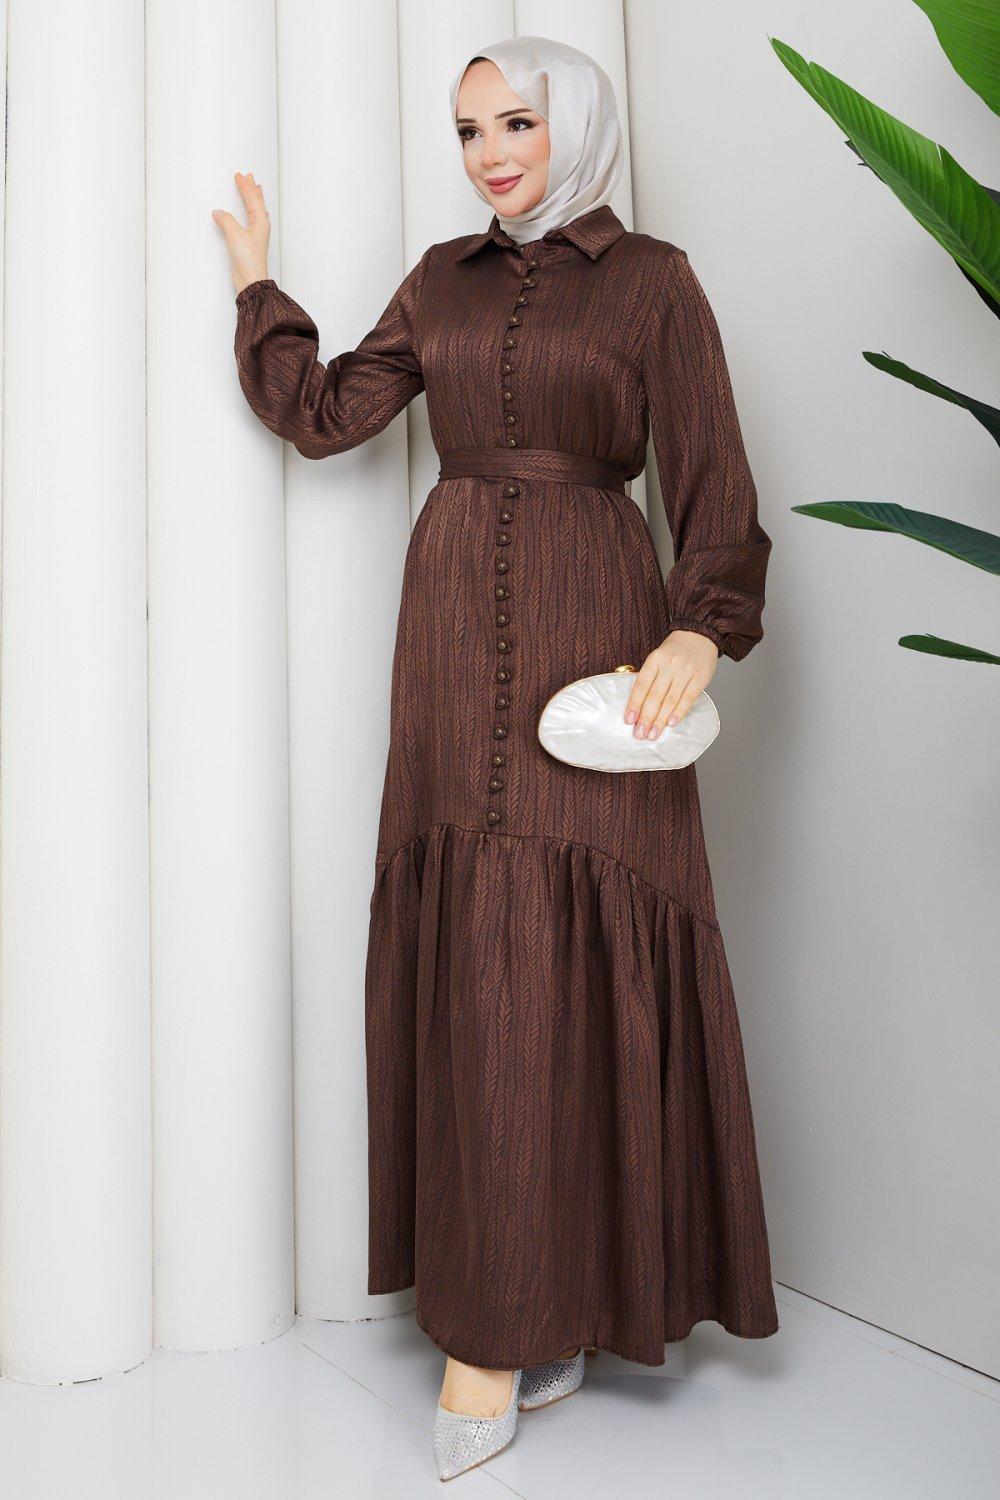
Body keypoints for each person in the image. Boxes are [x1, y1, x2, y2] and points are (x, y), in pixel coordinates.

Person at [213, 33, 779, 1482]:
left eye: (516, 122)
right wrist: (260, 291)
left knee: (574, 941)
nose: (490, 154)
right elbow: (331, 415)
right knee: (486, 953)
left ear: (573, 125)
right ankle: (500, 1313)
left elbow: (714, 479)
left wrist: (702, 627)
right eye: (470, 130)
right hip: (454, 635)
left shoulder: (654, 281)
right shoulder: (441, 279)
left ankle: (547, 1307)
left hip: (601, 637)